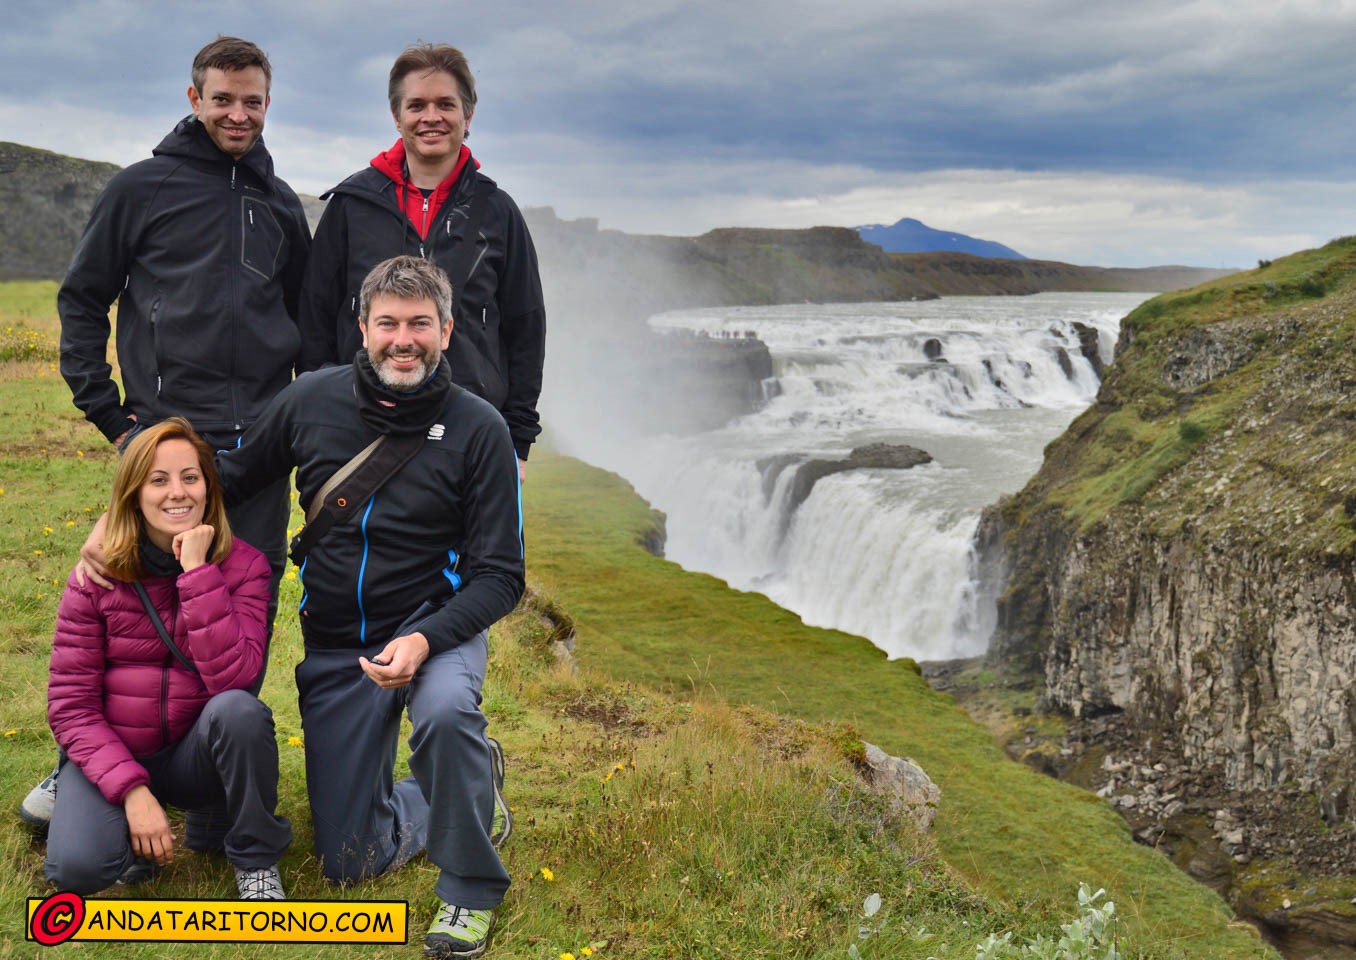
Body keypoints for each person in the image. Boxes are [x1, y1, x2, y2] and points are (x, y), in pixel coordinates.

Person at [23, 35, 310, 833]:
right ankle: (85, 766)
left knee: (237, 618)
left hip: (259, 455)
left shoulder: (282, 206)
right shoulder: (140, 189)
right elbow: (84, 298)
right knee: (129, 609)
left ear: (267, 103)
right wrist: (114, 420)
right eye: (223, 99)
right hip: (164, 448)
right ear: (194, 99)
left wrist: (303, 431)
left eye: (252, 101)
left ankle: (215, 787)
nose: (238, 114)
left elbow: (310, 325)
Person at [218, 257, 523, 958]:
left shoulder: (480, 429)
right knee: (351, 861)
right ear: (362, 328)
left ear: (446, 330)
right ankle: (466, 784)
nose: (403, 340)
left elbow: (501, 577)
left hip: (436, 628)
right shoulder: (309, 401)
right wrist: (137, 503)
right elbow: (231, 475)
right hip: (338, 646)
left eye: (420, 324)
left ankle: (469, 890)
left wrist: (425, 640)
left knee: (446, 713)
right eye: (388, 323)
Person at [44, 419, 291, 899]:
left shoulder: (245, 566)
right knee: (78, 870)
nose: (177, 492)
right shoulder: (95, 577)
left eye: (190, 477)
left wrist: (198, 573)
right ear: (134, 493)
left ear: (208, 487)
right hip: (117, 748)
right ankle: (128, 832)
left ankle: (256, 861)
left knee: (240, 712)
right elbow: (71, 706)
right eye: (158, 480)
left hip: (193, 755)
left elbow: (235, 682)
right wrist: (131, 791)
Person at [296, 42, 544, 483]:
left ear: (468, 116)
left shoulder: (498, 212)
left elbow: (526, 328)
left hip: (470, 432)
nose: (432, 116)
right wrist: (324, 416)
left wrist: (517, 441)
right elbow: (315, 315)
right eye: (417, 105)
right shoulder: (352, 206)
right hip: (361, 429)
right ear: (397, 116)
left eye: (446, 104)